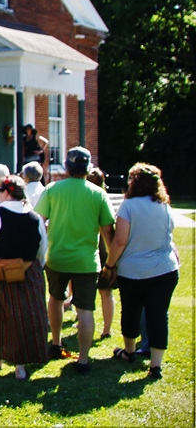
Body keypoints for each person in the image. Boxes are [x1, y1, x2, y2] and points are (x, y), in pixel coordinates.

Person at [34, 146, 115, 373]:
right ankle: (84, 359)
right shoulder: (98, 194)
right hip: (87, 261)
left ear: (67, 167)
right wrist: (113, 260)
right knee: (85, 310)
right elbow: (108, 232)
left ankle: (56, 343)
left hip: (57, 258)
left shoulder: (52, 189)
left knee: (55, 299)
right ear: (88, 168)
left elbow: (38, 221)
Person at [103, 163, 180, 380]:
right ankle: (155, 365)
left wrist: (109, 266)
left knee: (131, 311)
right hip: (165, 269)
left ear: (134, 182)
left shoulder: (129, 206)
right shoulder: (164, 206)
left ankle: (129, 352)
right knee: (158, 316)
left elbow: (119, 241)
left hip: (134, 271)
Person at [0, 175, 49, 381]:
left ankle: (4, 360)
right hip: (28, 272)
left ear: (6, 193)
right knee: (24, 318)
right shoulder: (35, 218)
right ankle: (13, 364)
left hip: (1, 272)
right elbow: (42, 249)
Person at [87, 167, 117, 340]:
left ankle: (84, 321)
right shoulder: (103, 198)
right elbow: (109, 229)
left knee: (85, 292)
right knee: (106, 292)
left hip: (89, 248)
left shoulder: (86, 198)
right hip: (104, 249)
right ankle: (106, 329)